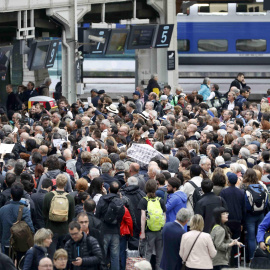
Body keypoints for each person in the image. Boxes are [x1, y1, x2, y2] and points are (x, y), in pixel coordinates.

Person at [43, 174, 75, 258]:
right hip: (64, 229)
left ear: (55, 182)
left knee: (51, 255)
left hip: (50, 229)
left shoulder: (48, 196)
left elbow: (45, 213)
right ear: (65, 184)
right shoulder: (70, 198)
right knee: (62, 255)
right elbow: (71, 216)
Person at [0, 182, 34, 259]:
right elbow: (30, 227)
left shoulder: (2, 209)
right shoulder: (24, 210)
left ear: (11, 195)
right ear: (21, 195)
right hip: (20, 243)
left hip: (6, 242)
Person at [95, 181, 125, 270]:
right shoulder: (120, 201)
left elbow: (97, 214)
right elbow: (121, 215)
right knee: (115, 255)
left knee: (102, 254)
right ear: (118, 190)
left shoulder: (103, 199)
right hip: (115, 230)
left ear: (109, 189)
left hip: (104, 230)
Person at [138, 179, 166, 270]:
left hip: (148, 231)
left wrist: (142, 232)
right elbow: (164, 216)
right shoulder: (160, 200)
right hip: (160, 231)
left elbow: (143, 217)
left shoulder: (144, 201)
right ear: (156, 188)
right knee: (159, 254)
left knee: (147, 253)